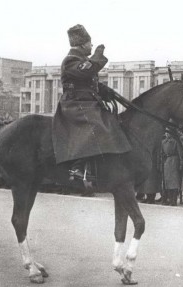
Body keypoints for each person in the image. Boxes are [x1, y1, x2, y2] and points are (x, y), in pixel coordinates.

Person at [52, 24, 131, 181]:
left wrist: (106, 91)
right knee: (96, 125)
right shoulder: (71, 60)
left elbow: (88, 82)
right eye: (90, 43)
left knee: (111, 120)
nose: (92, 45)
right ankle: (77, 166)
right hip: (75, 104)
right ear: (82, 44)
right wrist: (98, 55)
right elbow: (86, 71)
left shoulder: (81, 60)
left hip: (86, 103)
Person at [160, 129, 182, 206]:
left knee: (174, 182)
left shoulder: (175, 141)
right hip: (167, 162)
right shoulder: (163, 142)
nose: (167, 134)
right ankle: (169, 199)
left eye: (168, 133)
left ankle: (174, 200)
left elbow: (180, 153)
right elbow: (161, 153)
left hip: (174, 161)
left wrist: (180, 164)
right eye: (166, 133)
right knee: (167, 182)